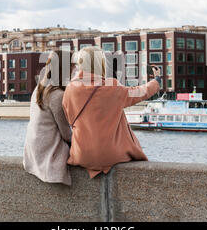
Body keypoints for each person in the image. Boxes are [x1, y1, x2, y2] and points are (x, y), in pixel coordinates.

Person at [62, 46, 161, 179]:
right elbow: (139, 92)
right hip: (110, 154)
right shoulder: (111, 86)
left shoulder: (70, 89)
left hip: (81, 154)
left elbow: (69, 117)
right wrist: (156, 81)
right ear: (100, 63)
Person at [23, 50, 74, 186]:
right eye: (73, 66)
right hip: (48, 151)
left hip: (33, 149)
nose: (75, 69)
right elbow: (66, 134)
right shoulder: (57, 95)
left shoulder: (40, 88)